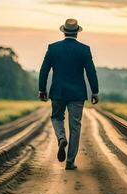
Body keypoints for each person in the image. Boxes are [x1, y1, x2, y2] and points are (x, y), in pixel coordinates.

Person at [38, 18, 99, 170]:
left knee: (57, 117)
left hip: (58, 91)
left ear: (64, 31)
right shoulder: (84, 50)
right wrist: (95, 91)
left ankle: (61, 138)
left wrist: (42, 89)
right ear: (77, 33)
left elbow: (44, 70)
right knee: (75, 126)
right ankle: (70, 162)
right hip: (77, 93)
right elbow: (91, 72)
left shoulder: (53, 48)